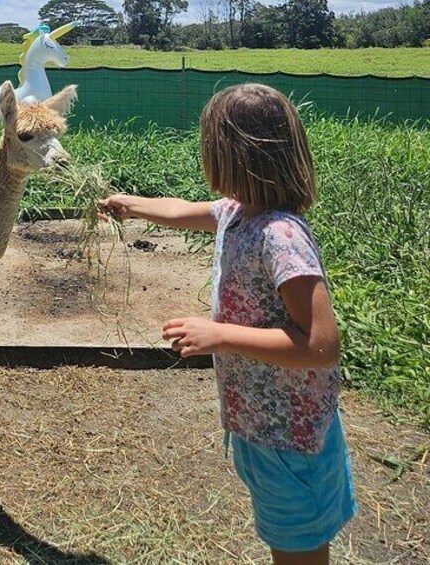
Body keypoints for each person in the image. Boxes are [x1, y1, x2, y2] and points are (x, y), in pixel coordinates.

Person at [98, 83, 356, 565]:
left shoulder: (280, 236)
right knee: (285, 537)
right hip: (261, 422)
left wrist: (219, 335)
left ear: (235, 156)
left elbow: (322, 345)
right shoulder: (237, 212)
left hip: (290, 434)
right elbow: (181, 210)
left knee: (298, 546)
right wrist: (130, 204)